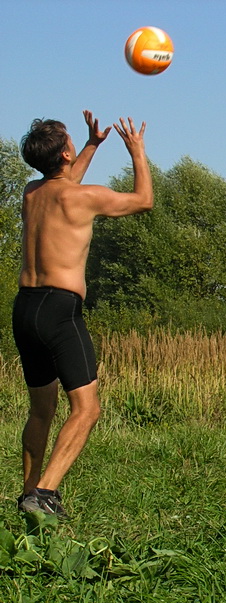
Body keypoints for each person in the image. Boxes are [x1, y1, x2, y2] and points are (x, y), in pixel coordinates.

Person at [13, 111, 153, 518]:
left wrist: (91, 144)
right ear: (64, 153)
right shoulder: (83, 196)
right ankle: (45, 494)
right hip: (59, 311)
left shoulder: (31, 194)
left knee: (41, 410)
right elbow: (143, 200)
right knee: (87, 409)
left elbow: (63, 182)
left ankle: (27, 493)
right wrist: (136, 150)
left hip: (25, 309)